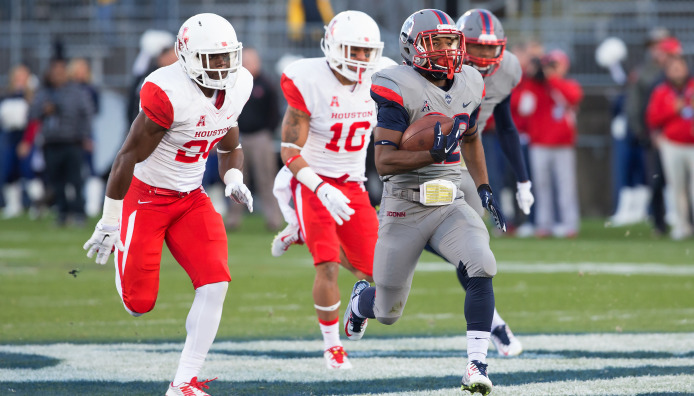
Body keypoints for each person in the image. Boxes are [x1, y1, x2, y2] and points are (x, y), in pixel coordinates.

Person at [82, 13, 254, 396]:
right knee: (138, 304)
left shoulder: (240, 85)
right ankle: (123, 253)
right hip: (146, 197)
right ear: (186, 55)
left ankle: (183, 383)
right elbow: (126, 156)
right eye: (213, 58)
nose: (223, 67)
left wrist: (234, 178)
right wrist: (111, 219)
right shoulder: (166, 91)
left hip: (191, 197)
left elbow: (230, 145)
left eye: (227, 57)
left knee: (215, 282)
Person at [344, 9, 506, 395]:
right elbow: (384, 162)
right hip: (404, 204)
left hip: (449, 200)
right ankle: (359, 301)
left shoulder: (470, 81)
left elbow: (471, 136)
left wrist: (483, 187)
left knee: (482, 264)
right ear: (412, 47)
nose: (448, 50)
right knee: (386, 312)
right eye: (438, 42)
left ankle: (476, 366)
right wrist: (429, 155)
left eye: (452, 42)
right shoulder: (397, 85)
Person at [274, 10, 393, 370]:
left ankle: (354, 304)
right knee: (325, 263)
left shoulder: (384, 76)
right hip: (310, 179)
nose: (360, 59)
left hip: (353, 183)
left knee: (378, 274)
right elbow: (289, 151)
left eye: (365, 51)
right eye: (352, 50)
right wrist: (321, 188)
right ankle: (332, 347)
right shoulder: (308, 79)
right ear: (333, 46)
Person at [512, 49, 583, 238]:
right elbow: (522, 107)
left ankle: (570, 224)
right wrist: (530, 77)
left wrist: (552, 80)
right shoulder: (535, 86)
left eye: (554, 65)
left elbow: (573, 98)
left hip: (563, 144)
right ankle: (545, 224)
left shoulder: (566, 84)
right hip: (539, 143)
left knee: (566, 186)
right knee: (541, 186)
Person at [626, 31, 682, 236]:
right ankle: (659, 222)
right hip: (656, 135)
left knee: (684, 183)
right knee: (657, 181)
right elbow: (641, 107)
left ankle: (686, 222)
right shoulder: (648, 74)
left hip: (681, 137)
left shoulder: (683, 76)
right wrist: (642, 131)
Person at [29, 58, 95, 226]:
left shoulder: (76, 91)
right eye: (54, 72)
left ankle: (79, 213)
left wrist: (84, 135)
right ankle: (62, 213)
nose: (57, 76)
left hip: (72, 141)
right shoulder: (44, 92)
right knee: (56, 181)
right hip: (51, 142)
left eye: (60, 72)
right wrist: (44, 110)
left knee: (76, 180)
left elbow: (86, 114)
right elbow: (32, 113)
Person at [224, 47, 283, 231]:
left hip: (260, 137)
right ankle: (233, 219)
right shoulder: (235, 84)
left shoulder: (266, 85)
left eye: (250, 61)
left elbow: (274, 112)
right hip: (239, 136)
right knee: (236, 178)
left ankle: (273, 219)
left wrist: (266, 132)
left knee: (266, 178)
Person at [646, 55, 694, 240]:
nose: (677, 72)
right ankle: (682, 226)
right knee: (677, 188)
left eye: (679, 68)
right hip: (672, 144)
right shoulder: (661, 91)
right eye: (673, 68)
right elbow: (652, 118)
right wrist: (673, 109)